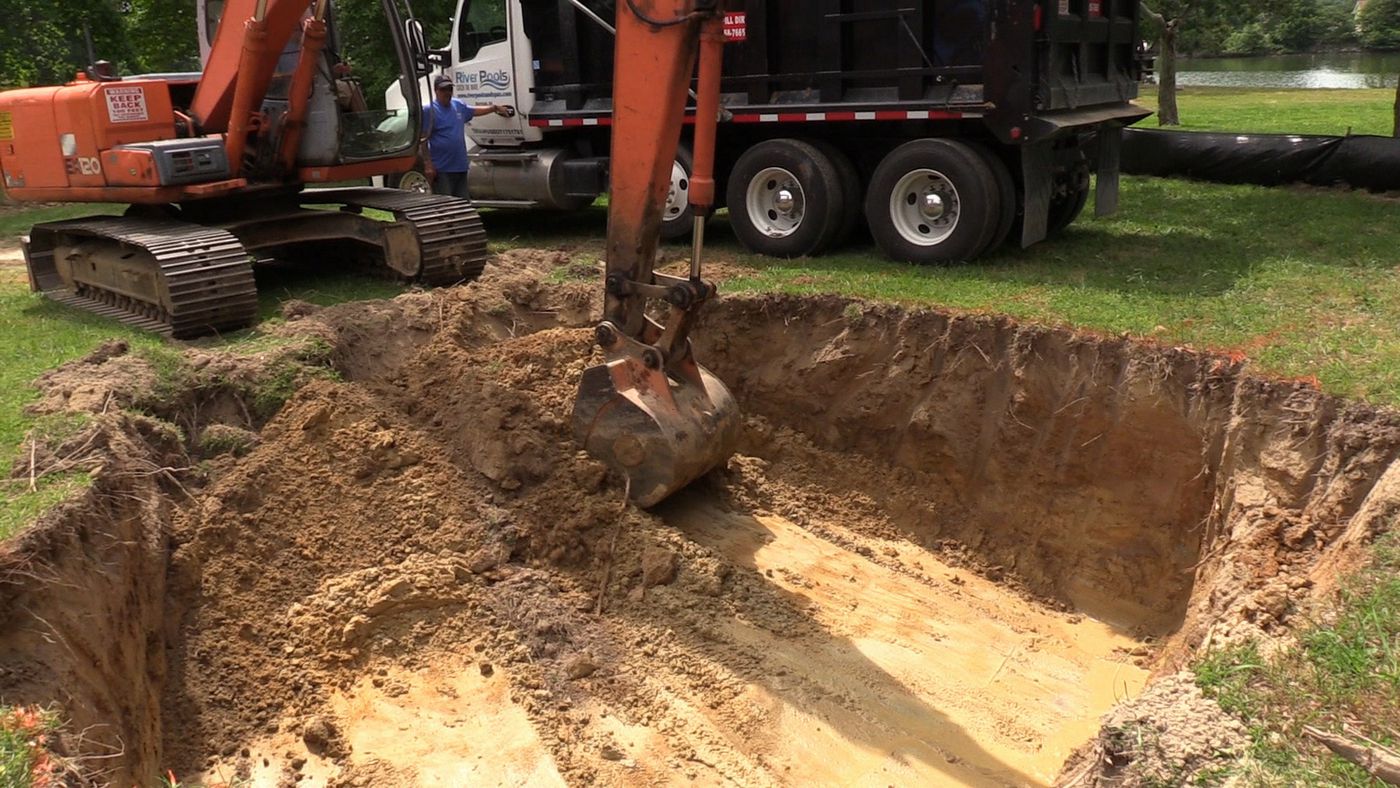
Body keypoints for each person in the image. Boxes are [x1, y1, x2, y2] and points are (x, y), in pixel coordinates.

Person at [423, 75, 508, 200]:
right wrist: (428, 164)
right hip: (442, 168)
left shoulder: (458, 105)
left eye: (449, 89)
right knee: (446, 205)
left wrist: (494, 108)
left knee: (463, 204)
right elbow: (423, 139)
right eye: (443, 90)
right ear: (436, 90)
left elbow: (474, 111)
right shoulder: (429, 110)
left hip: (460, 165)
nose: (447, 93)